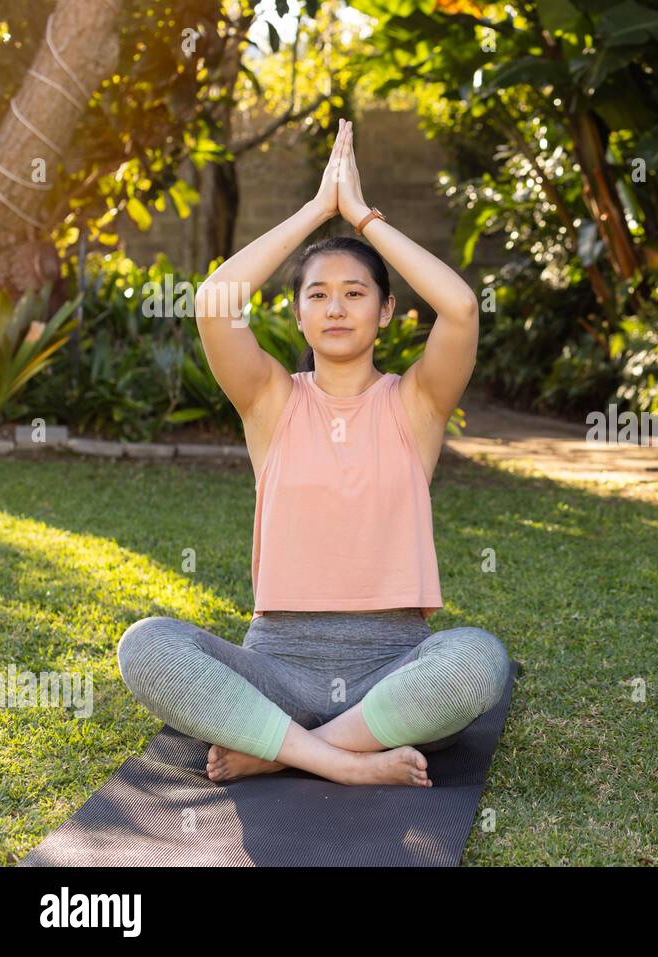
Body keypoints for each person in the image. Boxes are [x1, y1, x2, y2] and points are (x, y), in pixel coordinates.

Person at [117, 118, 510, 788]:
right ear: (297, 314)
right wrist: (313, 212)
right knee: (145, 645)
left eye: (356, 293)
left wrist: (361, 215)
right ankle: (339, 760)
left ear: (386, 311)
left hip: (392, 669)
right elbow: (215, 302)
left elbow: (462, 308)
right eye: (317, 295)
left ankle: (281, 752)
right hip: (277, 668)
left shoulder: (417, 404)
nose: (336, 308)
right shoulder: (270, 401)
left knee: (479, 659)